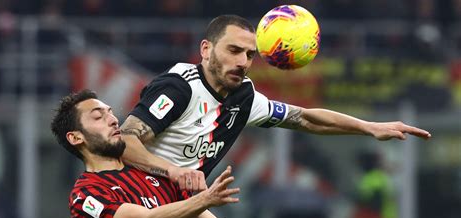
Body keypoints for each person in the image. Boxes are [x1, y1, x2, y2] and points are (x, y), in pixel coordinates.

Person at [119, 14, 431, 191]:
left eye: (250, 55)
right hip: (134, 198)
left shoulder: (244, 96)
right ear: (205, 49)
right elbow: (126, 140)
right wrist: (175, 172)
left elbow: (305, 119)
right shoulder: (178, 88)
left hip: (180, 205)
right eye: (233, 50)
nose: (243, 62)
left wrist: (369, 127)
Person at [50, 90, 323, 218]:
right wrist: (204, 199)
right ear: (75, 138)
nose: (112, 119)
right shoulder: (86, 196)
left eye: (110, 112)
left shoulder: (155, 177)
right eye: (98, 116)